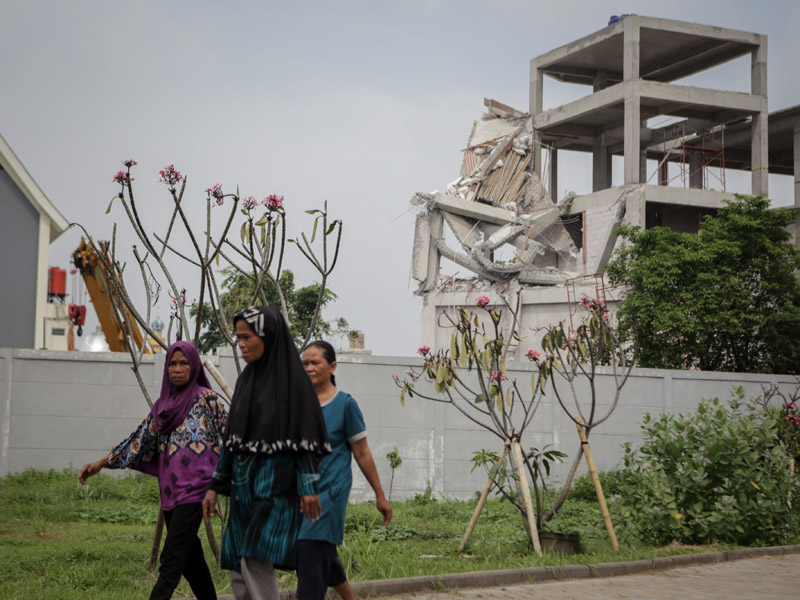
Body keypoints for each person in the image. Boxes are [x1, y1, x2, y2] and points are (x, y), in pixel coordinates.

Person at [79, 341, 227, 600]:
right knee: (192, 562)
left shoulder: (207, 399)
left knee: (170, 560)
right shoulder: (163, 407)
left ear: (193, 366)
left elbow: (230, 440)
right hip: (171, 495)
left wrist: (223, 483)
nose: (177, 369)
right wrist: (102, 463)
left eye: (184, 363)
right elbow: (138, 440)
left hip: (198, 493)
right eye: (172, 363)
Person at [202, 306, 331, 600]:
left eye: (247, 337)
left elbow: (305, 439)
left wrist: (309, 487)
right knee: (236, 558)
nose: (242, 344)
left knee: (255, 553)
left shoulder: (294, 383)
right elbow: (232, 439)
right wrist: (214, 486)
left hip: (277, 484)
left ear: (268, 335)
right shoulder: (247, 380)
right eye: (238, 338)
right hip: (242, 484)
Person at [296, 340, 393, 600]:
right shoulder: (297, 405)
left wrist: (380, 495)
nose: (309, 367)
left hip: (331, 490)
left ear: (333, 366)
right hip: (301, 490)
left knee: (309, 549)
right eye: (305, 362)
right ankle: (352, 597)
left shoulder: (345, 405)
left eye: (315, 362)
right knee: (320, 548)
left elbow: (362, 452)